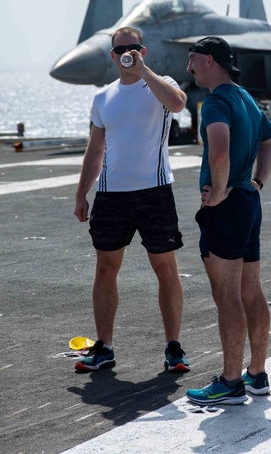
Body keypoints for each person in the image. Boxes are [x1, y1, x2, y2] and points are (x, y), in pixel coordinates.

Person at [73, 26, 191, 374]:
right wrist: (82, 192)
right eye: (121, 49)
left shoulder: (158, 83)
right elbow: (95, 150)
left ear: (143, 51)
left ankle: (173, 347)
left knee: (165, 268)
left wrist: (143, 72)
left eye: (135, 47)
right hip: (111, 195)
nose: (128, 53)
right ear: (112, 55)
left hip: (154, 192)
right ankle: (104, 346)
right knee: (106, 268)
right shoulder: (103, 98)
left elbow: (179, 103)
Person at [184, 36, 271, 406]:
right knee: (251, 291)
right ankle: (256, 375)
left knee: (227, 298)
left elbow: (219, 150)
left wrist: (220, 191)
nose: (188, 68)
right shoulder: (245, 97)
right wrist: (257, 182)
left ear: (209, 61)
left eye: (192, 60)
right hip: (249, 203)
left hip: (227, 207)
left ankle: (229, 382)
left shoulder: (217, 101)